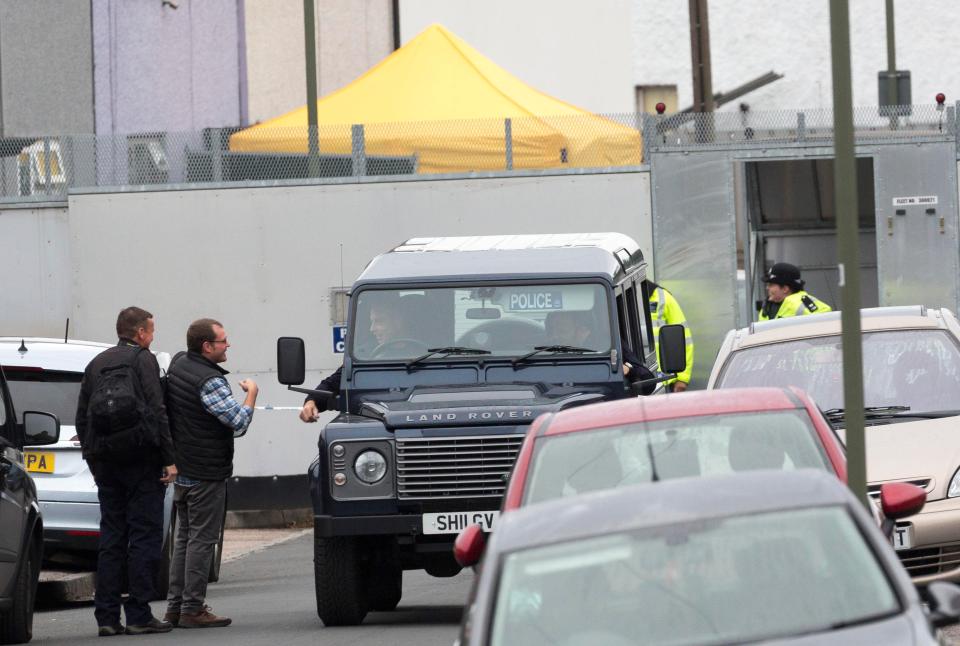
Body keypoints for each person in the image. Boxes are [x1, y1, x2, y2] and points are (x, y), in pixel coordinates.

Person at [75, 306, 177, 637]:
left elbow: (81, 418)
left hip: (106, 463)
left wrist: (93, 460)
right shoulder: (143, 360)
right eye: (151, 330)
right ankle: (138, 614)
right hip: (141, 461)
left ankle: (106, 617)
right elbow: (157, 410)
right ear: (140, 333)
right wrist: (169, 458)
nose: (152, 335)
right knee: (144, 536)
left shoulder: (96, 363)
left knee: (112, 537)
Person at [164, 318, 258, 628]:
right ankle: (192, 608)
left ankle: (175, 608)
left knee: (184, 539)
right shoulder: (210, 380)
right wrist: (251, 393)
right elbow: (238, 422)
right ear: (207, 346)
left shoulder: (179, 364)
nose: (228, 345)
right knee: (202, 541)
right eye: (223, 341)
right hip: (206, 471)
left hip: (184, 467)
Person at [299, 296, 416, 423]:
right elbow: (333, 383)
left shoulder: (431, 355)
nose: (372, 329)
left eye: (380, 321)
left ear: (398, 321)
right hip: (374, 423)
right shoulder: (363, 356)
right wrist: (312, 401)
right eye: (372, 322)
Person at [647, 280, 694, 392]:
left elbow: (684, 339)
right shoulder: (617, 295)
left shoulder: (662, 297)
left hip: (662, 382)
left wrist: (682, 378)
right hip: (634, 379)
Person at [758, 262, 832, 321]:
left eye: (771, 285)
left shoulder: (799, 303)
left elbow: (826, 320)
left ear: (785, 289)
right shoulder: (767, 306)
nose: (767, 288)